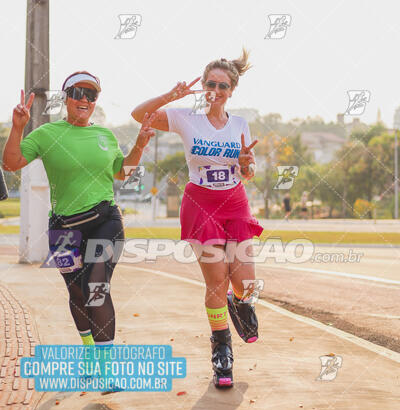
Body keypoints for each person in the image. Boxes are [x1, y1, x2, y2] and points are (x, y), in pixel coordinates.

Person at [3, 71, 155, 374]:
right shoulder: (46, 134)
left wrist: (138, 145)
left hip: (105, 221)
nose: (84, 100)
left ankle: (105, 368)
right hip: (63, 228)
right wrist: (17, 128)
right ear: (66, 98)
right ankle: (89, 353)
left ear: (96, 101)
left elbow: (122, 173)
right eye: (77, 93)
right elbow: (11, 163)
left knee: (96, 286)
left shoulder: (105, 135)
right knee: (77, 293)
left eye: (91, 95)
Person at [132, 49, 263, 388]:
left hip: (234, 202)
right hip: (200, 204)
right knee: (216, 280)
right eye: (210, 84)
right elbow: (138, 114)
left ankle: (239, 302)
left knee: (244, 283)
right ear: (203, 86)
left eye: (222, 85)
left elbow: (247, 172)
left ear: (232, 90)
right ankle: (222, 351)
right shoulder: (185, 118)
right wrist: (171, 96)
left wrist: (247, 164)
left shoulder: (240, 124)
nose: (215, 90)